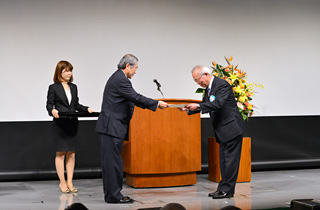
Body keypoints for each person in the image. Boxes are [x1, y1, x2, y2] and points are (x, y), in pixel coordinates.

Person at [96, 54, 169, 204]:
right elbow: (135, 97)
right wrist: (156, 104)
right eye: (135, 68)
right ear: (127, 66)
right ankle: (114, 196)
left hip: (113, 127)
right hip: (112, 127)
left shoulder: (119, 78)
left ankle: (113, 195)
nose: (135, 72)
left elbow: (132, 99)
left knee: (113, 163)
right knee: (112, 163)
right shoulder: (120, 79)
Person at [180, 65, 244, 199]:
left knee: (231, 162)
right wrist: (188, 109)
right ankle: (222, 188)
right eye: (196, 81)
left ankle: (227, 190)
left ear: (206, 75)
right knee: (224, 162)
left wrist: (197, 106)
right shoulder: (208, 90)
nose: (198, 83)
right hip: (222, 130)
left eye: (198, 80)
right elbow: (205, 105)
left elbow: (218, 104)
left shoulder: (222, 85)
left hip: (231, 128)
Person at [46, 60, 93, 193]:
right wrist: (52, 111)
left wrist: (86, 109)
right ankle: (62, 183)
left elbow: (76, 105)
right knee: (60, 153)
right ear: (59, 72)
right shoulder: (53, 87)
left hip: (72, 123)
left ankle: (70, 182)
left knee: (71, 153)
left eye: (70, 70)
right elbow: (49, 104)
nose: (69, 73)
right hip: (60, 123)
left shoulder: (74, 87)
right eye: (66, 70)